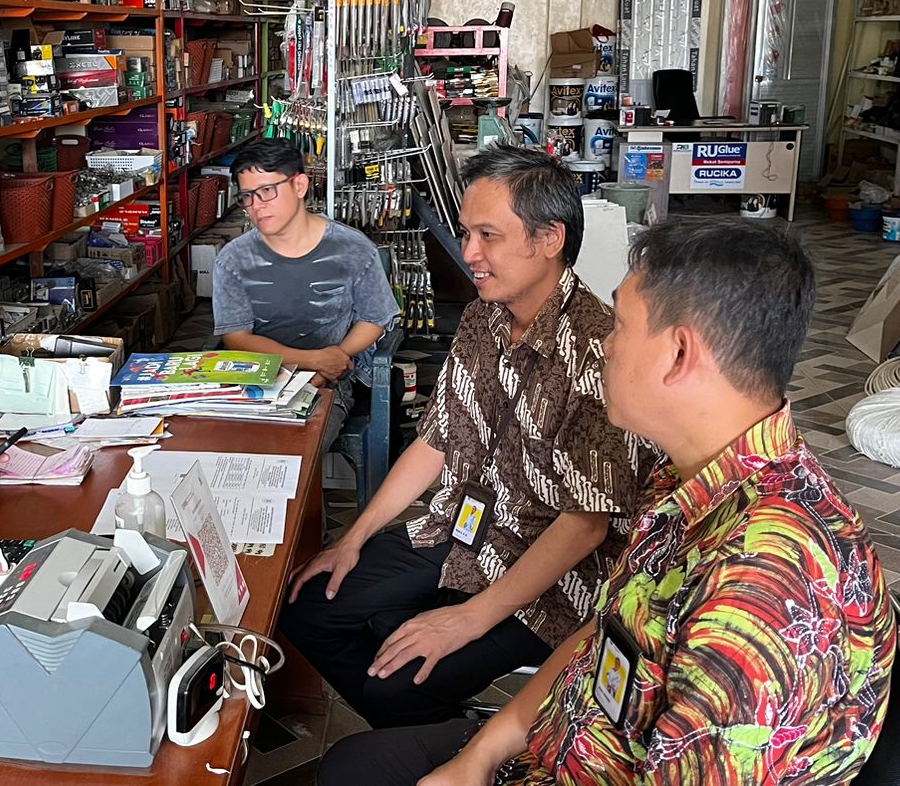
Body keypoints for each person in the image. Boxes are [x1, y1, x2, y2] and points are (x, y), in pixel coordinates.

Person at [320, 218, 896, 786]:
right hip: (558, 739)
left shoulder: (760, 590)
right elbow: (606, 632)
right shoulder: (688, 479)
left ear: (679, 354)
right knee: (354, 761)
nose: (604, 344)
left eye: (620, 326)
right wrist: (482, 754)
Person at [279, 147, 657, 729]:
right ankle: (438, 734)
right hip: (463, 528)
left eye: (488, 236)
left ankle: (451, 746)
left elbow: (585, 525)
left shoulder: (594, 352)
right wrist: (355, 537)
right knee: (307, 609)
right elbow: (436, 438)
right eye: (466, 233)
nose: (469, 253)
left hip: (551, 573)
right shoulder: (485, 315)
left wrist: (469, 618)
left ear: (549, 238)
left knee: (396, 682)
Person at [211, 139, 399, 449]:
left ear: (299, 185)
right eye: (247, 196)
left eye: (267, 191)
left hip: (329, 385)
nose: (257, 206)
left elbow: (374, 318)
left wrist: (333, 362)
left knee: (291, 452)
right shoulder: (233, 260)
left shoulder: (352, 249)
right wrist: (314, 360)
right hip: (256, 376)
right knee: (221, 448)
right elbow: (237, 337)